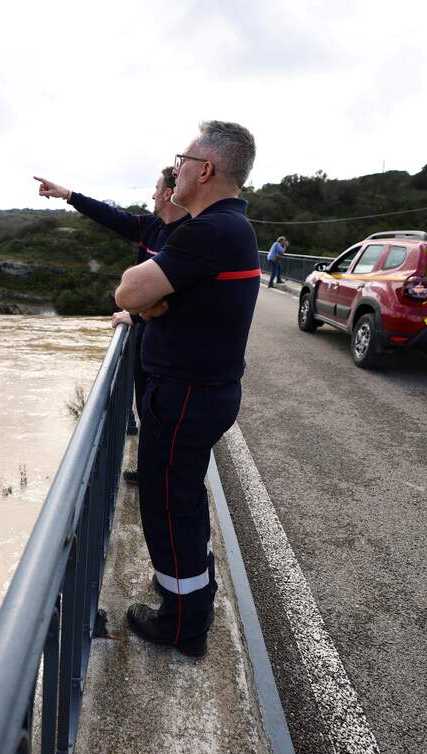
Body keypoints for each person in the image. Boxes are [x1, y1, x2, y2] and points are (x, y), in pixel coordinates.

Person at [113, 120, 259, 657]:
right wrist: (152, 304)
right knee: (184, 500)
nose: (175, 169)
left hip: (188, 395)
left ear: (206, 169)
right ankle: (191, 592)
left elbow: (131, 291)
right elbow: (152, 302)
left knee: (169, 506)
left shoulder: (210, 231)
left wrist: (146, 302)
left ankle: (182, 624)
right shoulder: (227, 228)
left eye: (182, 159)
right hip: (200, 393)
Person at [34, 169, 189, 484]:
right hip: (146, 339)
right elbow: (110, 216)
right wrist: (69, 195)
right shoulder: (152, 227)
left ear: (169, 193)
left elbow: (176, 297)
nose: (152, 195)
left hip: (167, 346)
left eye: (156, 189)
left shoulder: (186, 235)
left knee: (163, 417)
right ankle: (151, 472)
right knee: (148, 410)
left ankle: (167, 479)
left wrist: (132, 315)